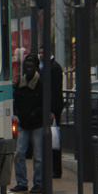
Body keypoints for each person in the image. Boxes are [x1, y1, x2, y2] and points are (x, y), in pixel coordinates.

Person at [11, 53, 44, 193]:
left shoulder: (41, 84)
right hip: (23, 123)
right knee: (19, 153)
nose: (28, 70)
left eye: (31, 67)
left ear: (35, 68)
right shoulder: (20, 83)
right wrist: (18, 112)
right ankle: (22, 182)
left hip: (37, 124)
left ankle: (39, 183)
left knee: (38, 156)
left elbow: (45, 102)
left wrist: (35, 113)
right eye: (26, 67)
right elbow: (16, 99)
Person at [39, 47, 66, 178]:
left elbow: (54, 90)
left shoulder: (53, 68)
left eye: (42, 52)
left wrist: (52, 110)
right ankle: (52, 168)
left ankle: (55, 169)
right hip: (50, 108)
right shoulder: (47, 66)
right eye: (39, 53)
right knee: (52, 139)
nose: (40, 55)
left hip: (52, 109)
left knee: (54, 140)